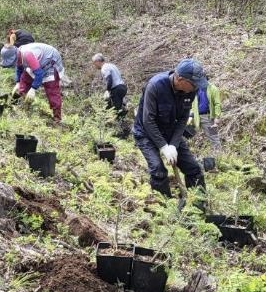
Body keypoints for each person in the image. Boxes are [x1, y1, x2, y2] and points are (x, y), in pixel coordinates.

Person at [132, 59, 208, 200]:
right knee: (159, 171)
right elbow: (148, 121)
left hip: (170, 131)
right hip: (145, 133)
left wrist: (173, 144)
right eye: (193, 84)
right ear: (179, 79)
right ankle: (165, 209)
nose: (196, 88)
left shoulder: (190, 91)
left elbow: (182, 120)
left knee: (194, 169)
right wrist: (164, 147)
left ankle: (197, 208)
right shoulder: (155, 86)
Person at [0, 38, 67, 123]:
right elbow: (19, 68)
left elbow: (39, 74)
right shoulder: (18, 55)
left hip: (50, 62)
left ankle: (57, 119)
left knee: (52, 90)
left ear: (15, 56)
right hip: (36, 64)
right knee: (24, 81)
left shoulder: (27, 55)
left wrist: (33, 89)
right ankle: (21, 106)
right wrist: (17, 83)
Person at [92, 53, 128, 127]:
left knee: (116, 108)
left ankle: (120, 125)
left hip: (116, 89)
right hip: (122, 87)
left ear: (98, 61)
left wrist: (107, 90)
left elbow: (109, 79)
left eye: (94, 63)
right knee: (118, 105)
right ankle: (123, 116)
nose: (95, 66)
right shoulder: (111, 65)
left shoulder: (104, 68)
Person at [189, 76, 222, 152]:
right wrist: (190, 114)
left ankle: (219, 156)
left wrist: (217, 117)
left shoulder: (213, 89)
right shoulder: (195, 89)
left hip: (208, 117)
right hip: (196, 116)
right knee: (188, 134)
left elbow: (218, 104)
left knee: (214, 137)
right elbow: (192, 103)